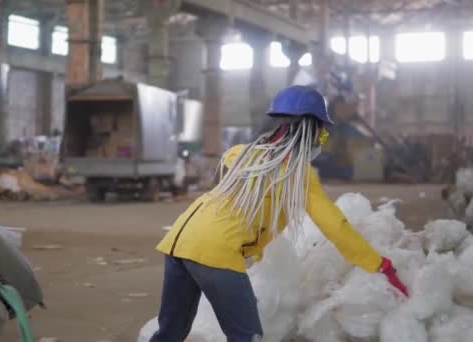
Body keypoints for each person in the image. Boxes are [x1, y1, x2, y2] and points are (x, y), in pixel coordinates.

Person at [149, 86, 408, 342]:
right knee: (246, 336)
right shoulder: (299, 174)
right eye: (322, 133)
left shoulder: (239, 154)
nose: (322, 139)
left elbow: (228, 196)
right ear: (311, 129)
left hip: (178, 242)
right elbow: (336, 227)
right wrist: (380, 264)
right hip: (214, 251)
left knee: (170, 332)